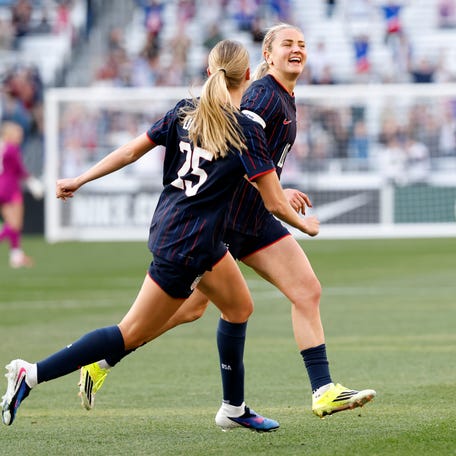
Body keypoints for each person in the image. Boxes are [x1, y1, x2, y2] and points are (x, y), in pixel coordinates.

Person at [1, 39, 320, 430]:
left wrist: (80, 179)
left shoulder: (184, 111)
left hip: (186, 233)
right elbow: (272, 201)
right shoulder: (247, 128)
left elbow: (132, 151)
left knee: (239, 307)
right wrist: (306, 225)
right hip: (187, 246)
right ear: (250, 75)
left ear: (208, 72)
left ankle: (233, 409)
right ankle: (31, 373)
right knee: (128, 332)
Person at [79, 24, 376, 419]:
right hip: (229, 222)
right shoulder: (260, 97)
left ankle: (321, 391)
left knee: (303, 291)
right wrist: (279, 199)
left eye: (302, 44)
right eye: (287, 43)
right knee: (188, 309)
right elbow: (233, 151)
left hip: (254, 217)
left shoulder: (284, 96)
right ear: (266, 56)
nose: (297, 50)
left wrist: (278, 191)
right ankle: (103, 359)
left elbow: (256, 162)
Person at [0, 121, 43, 268]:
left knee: (10, 223)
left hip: (1, 186)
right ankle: (16, 255)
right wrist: (32, 181)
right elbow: (19, 169)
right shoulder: (12, 148)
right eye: (18, 133)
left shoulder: (3, 148)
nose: (21, 136)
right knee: (15, 224)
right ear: (9, 134)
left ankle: (16, 256)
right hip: (11, 187)